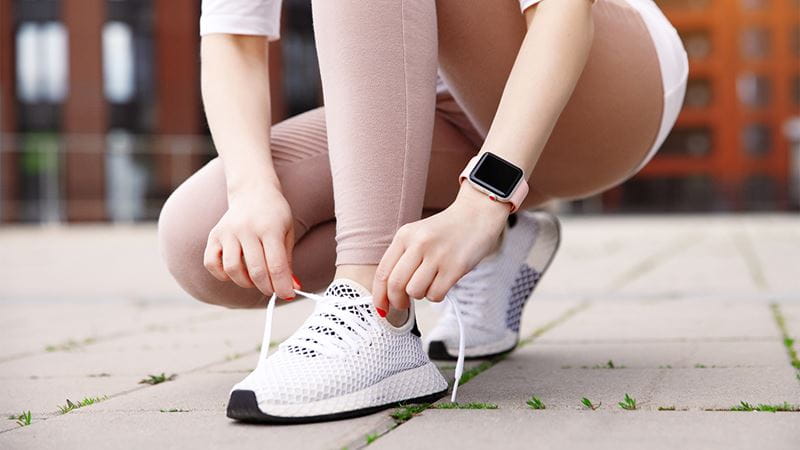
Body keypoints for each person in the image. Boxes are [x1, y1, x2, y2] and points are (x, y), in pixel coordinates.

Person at [158, 0, 688, 422]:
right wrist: (253, 189)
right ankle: (500, 247)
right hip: (437, 114)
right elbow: (234, 41)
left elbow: (563, 12)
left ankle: (374, 311)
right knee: (199, 239)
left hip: (598, 90)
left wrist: (487, 195)